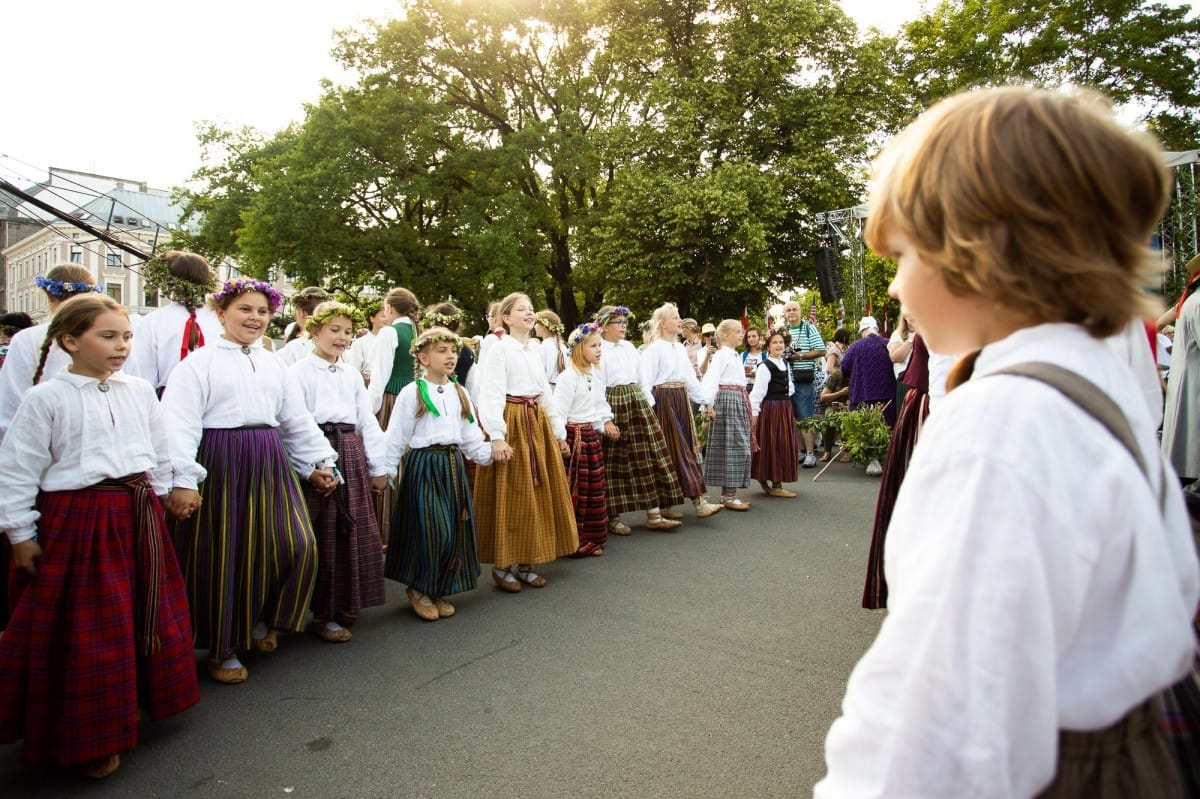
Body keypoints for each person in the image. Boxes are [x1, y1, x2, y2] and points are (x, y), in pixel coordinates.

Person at [816, 86, 1199, 798]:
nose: (896, 287)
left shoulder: (1002, 425)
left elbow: (929, 738)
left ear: (976, 247)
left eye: (903, 255)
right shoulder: (1088, 380)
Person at [0, 293, 198, 779]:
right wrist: (21, 532)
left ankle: (139, 701)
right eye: (107, 336)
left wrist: (166, 491)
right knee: (90, 631)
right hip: (78, 521)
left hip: (136, 515)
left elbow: (158, 447)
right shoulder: (45, 397)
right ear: (70, 340)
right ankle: (89, 733)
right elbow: (19, 468)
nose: (122, 346)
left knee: (140, 612)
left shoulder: (137, 390)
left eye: (127, 336)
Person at [162, 277, 339, 684]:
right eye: (245, 309)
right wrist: (183, 479)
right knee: (227, 556)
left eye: (262, 311)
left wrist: (317, 461)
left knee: (295, 543)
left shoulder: (274, 363)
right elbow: (179, 424)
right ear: (221, 313)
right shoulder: (197, 365)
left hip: (268, 459)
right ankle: (224, 647)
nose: (255, 318)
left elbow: (294, 419)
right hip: (221, 461)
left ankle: (263, 618)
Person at [290, 302, 388, 642]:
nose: (342, 338)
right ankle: (318, 611)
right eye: (334, 330)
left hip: (350, 450)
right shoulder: (299, 372)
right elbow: (294, 424)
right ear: (315, 331)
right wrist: (311, 466)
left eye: (348, 332)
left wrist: (379, 465)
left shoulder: (349, 374)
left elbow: (366, 420)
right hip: (318, 453)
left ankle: (344, 602)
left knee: (351, 532)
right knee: (322, 534)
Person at [384, 327, 494, 620]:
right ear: (423, 357)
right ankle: (418, 588)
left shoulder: (461, 393)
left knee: (453, 531)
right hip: (424, 465)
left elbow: (470, 435)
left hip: (453, 466)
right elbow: (396, 435)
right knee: (432, 529)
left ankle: (436, 589)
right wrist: (385, 471)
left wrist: (488, 454)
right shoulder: (412, 392)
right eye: (442, 351)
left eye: (453, 351)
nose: (450, 357)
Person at [473, 292, 579, 592]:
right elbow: (489, 393)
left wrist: (559, 433)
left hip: (536, 422)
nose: (529, 313)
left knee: (538, 493)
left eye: (531, 309)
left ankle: (527, 563)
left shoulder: (533, 350)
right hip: (513, 422)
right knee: (514, 495)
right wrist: (496, 435)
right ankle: (503, 565)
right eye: (522, 309)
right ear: (506, 318)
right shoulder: (498, 349)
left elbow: (545, 393)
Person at [594, 305, 684, 532]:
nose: (624, 327)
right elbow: (597, 387)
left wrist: (649, 405)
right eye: (619, 323)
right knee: (614, 462)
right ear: (604, 327)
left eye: (625, 322)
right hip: (613, 403)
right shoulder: (598, 349)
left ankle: (654, 514)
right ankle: (613, 518)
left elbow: (642, 379)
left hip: (636, 402)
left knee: (649, 456)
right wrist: (605, 419)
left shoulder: (630, 348)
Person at [0, 263, 102, 442]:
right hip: (103, 441)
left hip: (43, 440)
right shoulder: (114, 336)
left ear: (49, 295)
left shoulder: (27, 339)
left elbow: (11, 406)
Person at [640, 303, 722, 518]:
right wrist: (652, 411)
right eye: (675, 317)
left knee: (681, 449)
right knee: (677, 451)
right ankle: (699, 502)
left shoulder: (679, 348)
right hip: (663, 400)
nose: (679, 320)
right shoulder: (654, 349)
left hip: (680, 399)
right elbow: (645, 383)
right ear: (663, 323)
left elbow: (689, 379)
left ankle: (668, 504)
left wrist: (706, 401)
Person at [555, 323, 619, 557]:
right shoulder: (568, 378)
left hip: (590, 436)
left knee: (593, 488)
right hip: (575, 437)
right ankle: (573, 538)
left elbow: (597, 404)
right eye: (594, 346)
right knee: (576, 489)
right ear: (580, 349)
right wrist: (561, 439)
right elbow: (559, 413)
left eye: (600, 345)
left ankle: (592, 536)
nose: (599, 349)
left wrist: (604, 425)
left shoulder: (592, 374)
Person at [368, 286, 421, 550]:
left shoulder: (389, 332)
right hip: (420, 402)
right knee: (412, 461)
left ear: (389, 308)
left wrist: (369, 409)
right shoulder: (418, 331)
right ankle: (413, 525)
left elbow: (380, 376)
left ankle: (387, 530)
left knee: (388, 460)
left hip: (392, 399)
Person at [125, 250, 221, 394]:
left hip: (169, 398)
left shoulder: (152, 321)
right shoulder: (223, 318)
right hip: (217, 399)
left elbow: (144, 374)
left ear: (168, 281)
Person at [700, 319, 753, 510]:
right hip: (728, 402)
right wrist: (709, 404)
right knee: (733, 446)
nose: (742, 334)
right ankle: (728, 496)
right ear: (725, 335)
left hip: (737, 400)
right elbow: (711, 379)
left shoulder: (734, 356)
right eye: (738, 331)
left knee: (737, 446)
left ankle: (729, 494)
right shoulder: (722, 355)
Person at [749, 329, 798, 497]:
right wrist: (754, 413)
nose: (779, 345)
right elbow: (757, 392)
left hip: (784, 406)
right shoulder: (764, 366)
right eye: (775, 342)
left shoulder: (785, 363)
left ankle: (771, 480)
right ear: (768, 346)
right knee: (775, 443)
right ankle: (775, 484)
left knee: (782, 443)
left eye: (781, 342)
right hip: (771, 409)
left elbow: (790, 387)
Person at [780, 301, 825, 467]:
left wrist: (799, 356)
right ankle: (799, 451)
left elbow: (821, 350)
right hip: (785, 378)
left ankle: (810, 453)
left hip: (803, 378)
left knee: (805, 417)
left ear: (800, 312)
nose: (791, 312)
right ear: (784, 313)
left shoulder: (808, 328)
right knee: (792, 417)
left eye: (794, 310)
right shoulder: (782, 331)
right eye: (788, 310)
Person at [840, 316, 898, 428]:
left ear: (862, 331)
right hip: (888, 398)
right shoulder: (889, 344)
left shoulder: (854, 347)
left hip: (860, 397)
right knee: (886, 433)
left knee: (861, 436)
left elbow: (845, 367)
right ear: (876, 329)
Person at [818, 328, 851, 463]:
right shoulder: (834, 351)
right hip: (834, 393)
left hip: (847, 404)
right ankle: (827, 451)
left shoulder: (844, 350)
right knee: (829, 418)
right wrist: (840, 375)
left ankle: (847, 450)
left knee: (848, 417)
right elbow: (829, 368)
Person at [345, 299, 389, 387]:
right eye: (383, 316)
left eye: (388, 316)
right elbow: (353, 369)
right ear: (372, 318)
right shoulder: (360, 343)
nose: (387, 319)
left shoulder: (391, 342)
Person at [534, 310, 569, 386]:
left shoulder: (542, 349)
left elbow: (538, 375)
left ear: (544, 327)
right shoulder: (563, 347)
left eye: (536, 323)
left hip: (548, 389)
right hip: (562, 387)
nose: (534, 326)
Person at [741, 326, 765, 393]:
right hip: (745, 388)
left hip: (761, 388)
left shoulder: (765, 354)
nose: (751, 339)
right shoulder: (743, 355)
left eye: (754, 336)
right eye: (748, 337)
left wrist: (757, 374)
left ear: (759, 337)